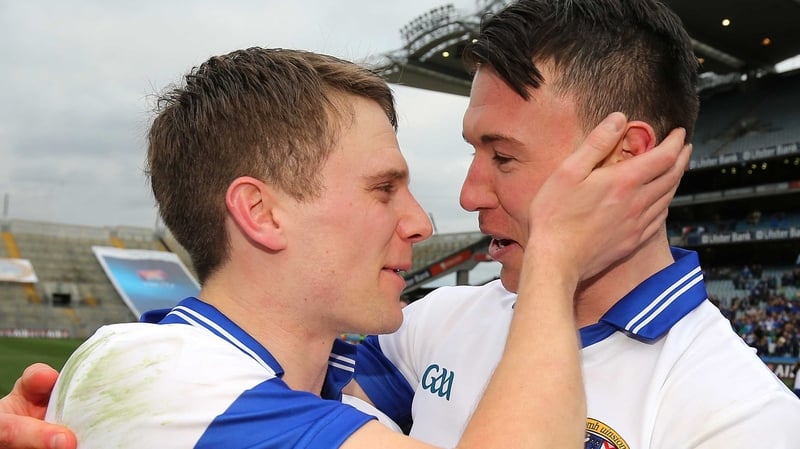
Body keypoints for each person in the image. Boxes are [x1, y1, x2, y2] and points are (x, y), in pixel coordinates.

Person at [0, 46, 689, 449]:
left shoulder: (334, 391)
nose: (421, 222)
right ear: (261, 213)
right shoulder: (165, 381)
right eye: (384, 188)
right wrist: (555, 259)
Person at [348, 0, 800, 448]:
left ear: (624, 157)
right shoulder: (434, 322)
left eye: (503, 156)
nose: (469, 195)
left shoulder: (741, 416)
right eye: (474, 152)